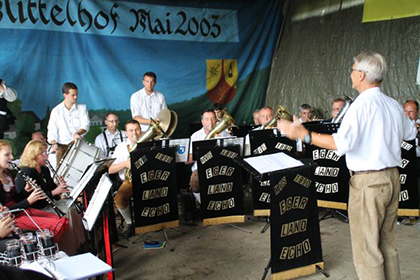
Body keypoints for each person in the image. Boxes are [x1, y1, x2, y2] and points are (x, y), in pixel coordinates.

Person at [278, 52, 416, 280]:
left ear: (361, 75)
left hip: (368, 184)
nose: (350, 73)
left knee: (367, 252)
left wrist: (303, 134)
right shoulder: (392, 104)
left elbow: (340, 144)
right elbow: (410, 133)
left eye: (352, 70)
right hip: (392, 178)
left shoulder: (360, 107)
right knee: (387, 247)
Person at [14, 140, 86, 255]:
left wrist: (59, 187)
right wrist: (54, 192)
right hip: (37, 208)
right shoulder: (26, 172)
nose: (46, 156)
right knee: (67, 213)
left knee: (75, 209)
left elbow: (52, 189)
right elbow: (31, 199)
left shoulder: (44, 169)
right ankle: (69, 249)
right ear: (33, 155)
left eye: (45, 153)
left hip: (48, 203)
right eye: (42, 154)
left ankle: (81, 243)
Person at [0, 140, 69, 245]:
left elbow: (15, 199)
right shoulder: (26, 171)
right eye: (7, 155)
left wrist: (26, 191)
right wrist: (29, 200)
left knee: (63, 220)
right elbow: (4, 212)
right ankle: (51, 250)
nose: (12, 158)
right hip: (13, 217)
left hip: (20, 211)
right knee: (56, 224)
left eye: (11, 154)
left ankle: (56, 249)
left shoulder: (7, 174)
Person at [108, 120, 142, 237]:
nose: (135, 133)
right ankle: (129, 222)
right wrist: (124, 164)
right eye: (131, 130)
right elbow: (110, 169)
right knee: (119, 198)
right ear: (126, 133)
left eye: (137, 129)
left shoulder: (148, 143)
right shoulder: (121, 148)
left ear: (140, 130)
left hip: (148, 179)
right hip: (130, 181)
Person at [187, 109, 230, 199]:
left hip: (220, 165)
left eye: (212, 118)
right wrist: (202, 150)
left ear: (216, 120)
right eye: (207, 119)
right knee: (195, 182)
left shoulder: (224, 133)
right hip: (201, 167)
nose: (210, 122)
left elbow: (234, 150)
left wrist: (221, 142)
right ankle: (201, 204)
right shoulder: (196, 136)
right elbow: (186, 161)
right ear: (202, 122)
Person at [47, 82, 90, 165]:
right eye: (73, 95)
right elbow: (52, 130)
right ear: (65, 95)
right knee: (61, 173)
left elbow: (86, 125)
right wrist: (54, 143)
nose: (76, 97)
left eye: (77, 94)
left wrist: (77, 133)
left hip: (78, 145)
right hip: (62, 147)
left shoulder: (82, 108)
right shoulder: (56, 111)